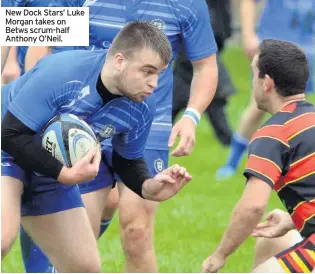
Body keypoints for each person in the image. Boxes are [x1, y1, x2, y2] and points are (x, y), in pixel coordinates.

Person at [20, 0, 218, 272]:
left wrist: (191, 116)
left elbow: (205, 65)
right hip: (85, 122)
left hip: (148, 123)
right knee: (78, 234)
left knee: (137, 232)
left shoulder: (186, 4)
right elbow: (43, 43)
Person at [202, 39, 315, 273]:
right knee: (270, 239)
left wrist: (219, 255)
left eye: (254, 74)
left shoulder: (273, 133)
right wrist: (294, 219)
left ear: (267, 83)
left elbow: (252, 207)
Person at [216, 0, 315, 179]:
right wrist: (248, 35)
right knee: (257, 107)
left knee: (298, 111)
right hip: (274, 45)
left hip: (307, 48)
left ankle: (296, 167)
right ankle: (232, 162)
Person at [172, 0, 235, 146]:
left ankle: (233, 152)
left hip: (202, 64)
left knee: (219, 120)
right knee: (160, 122)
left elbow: (221, 33)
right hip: (183, 70)